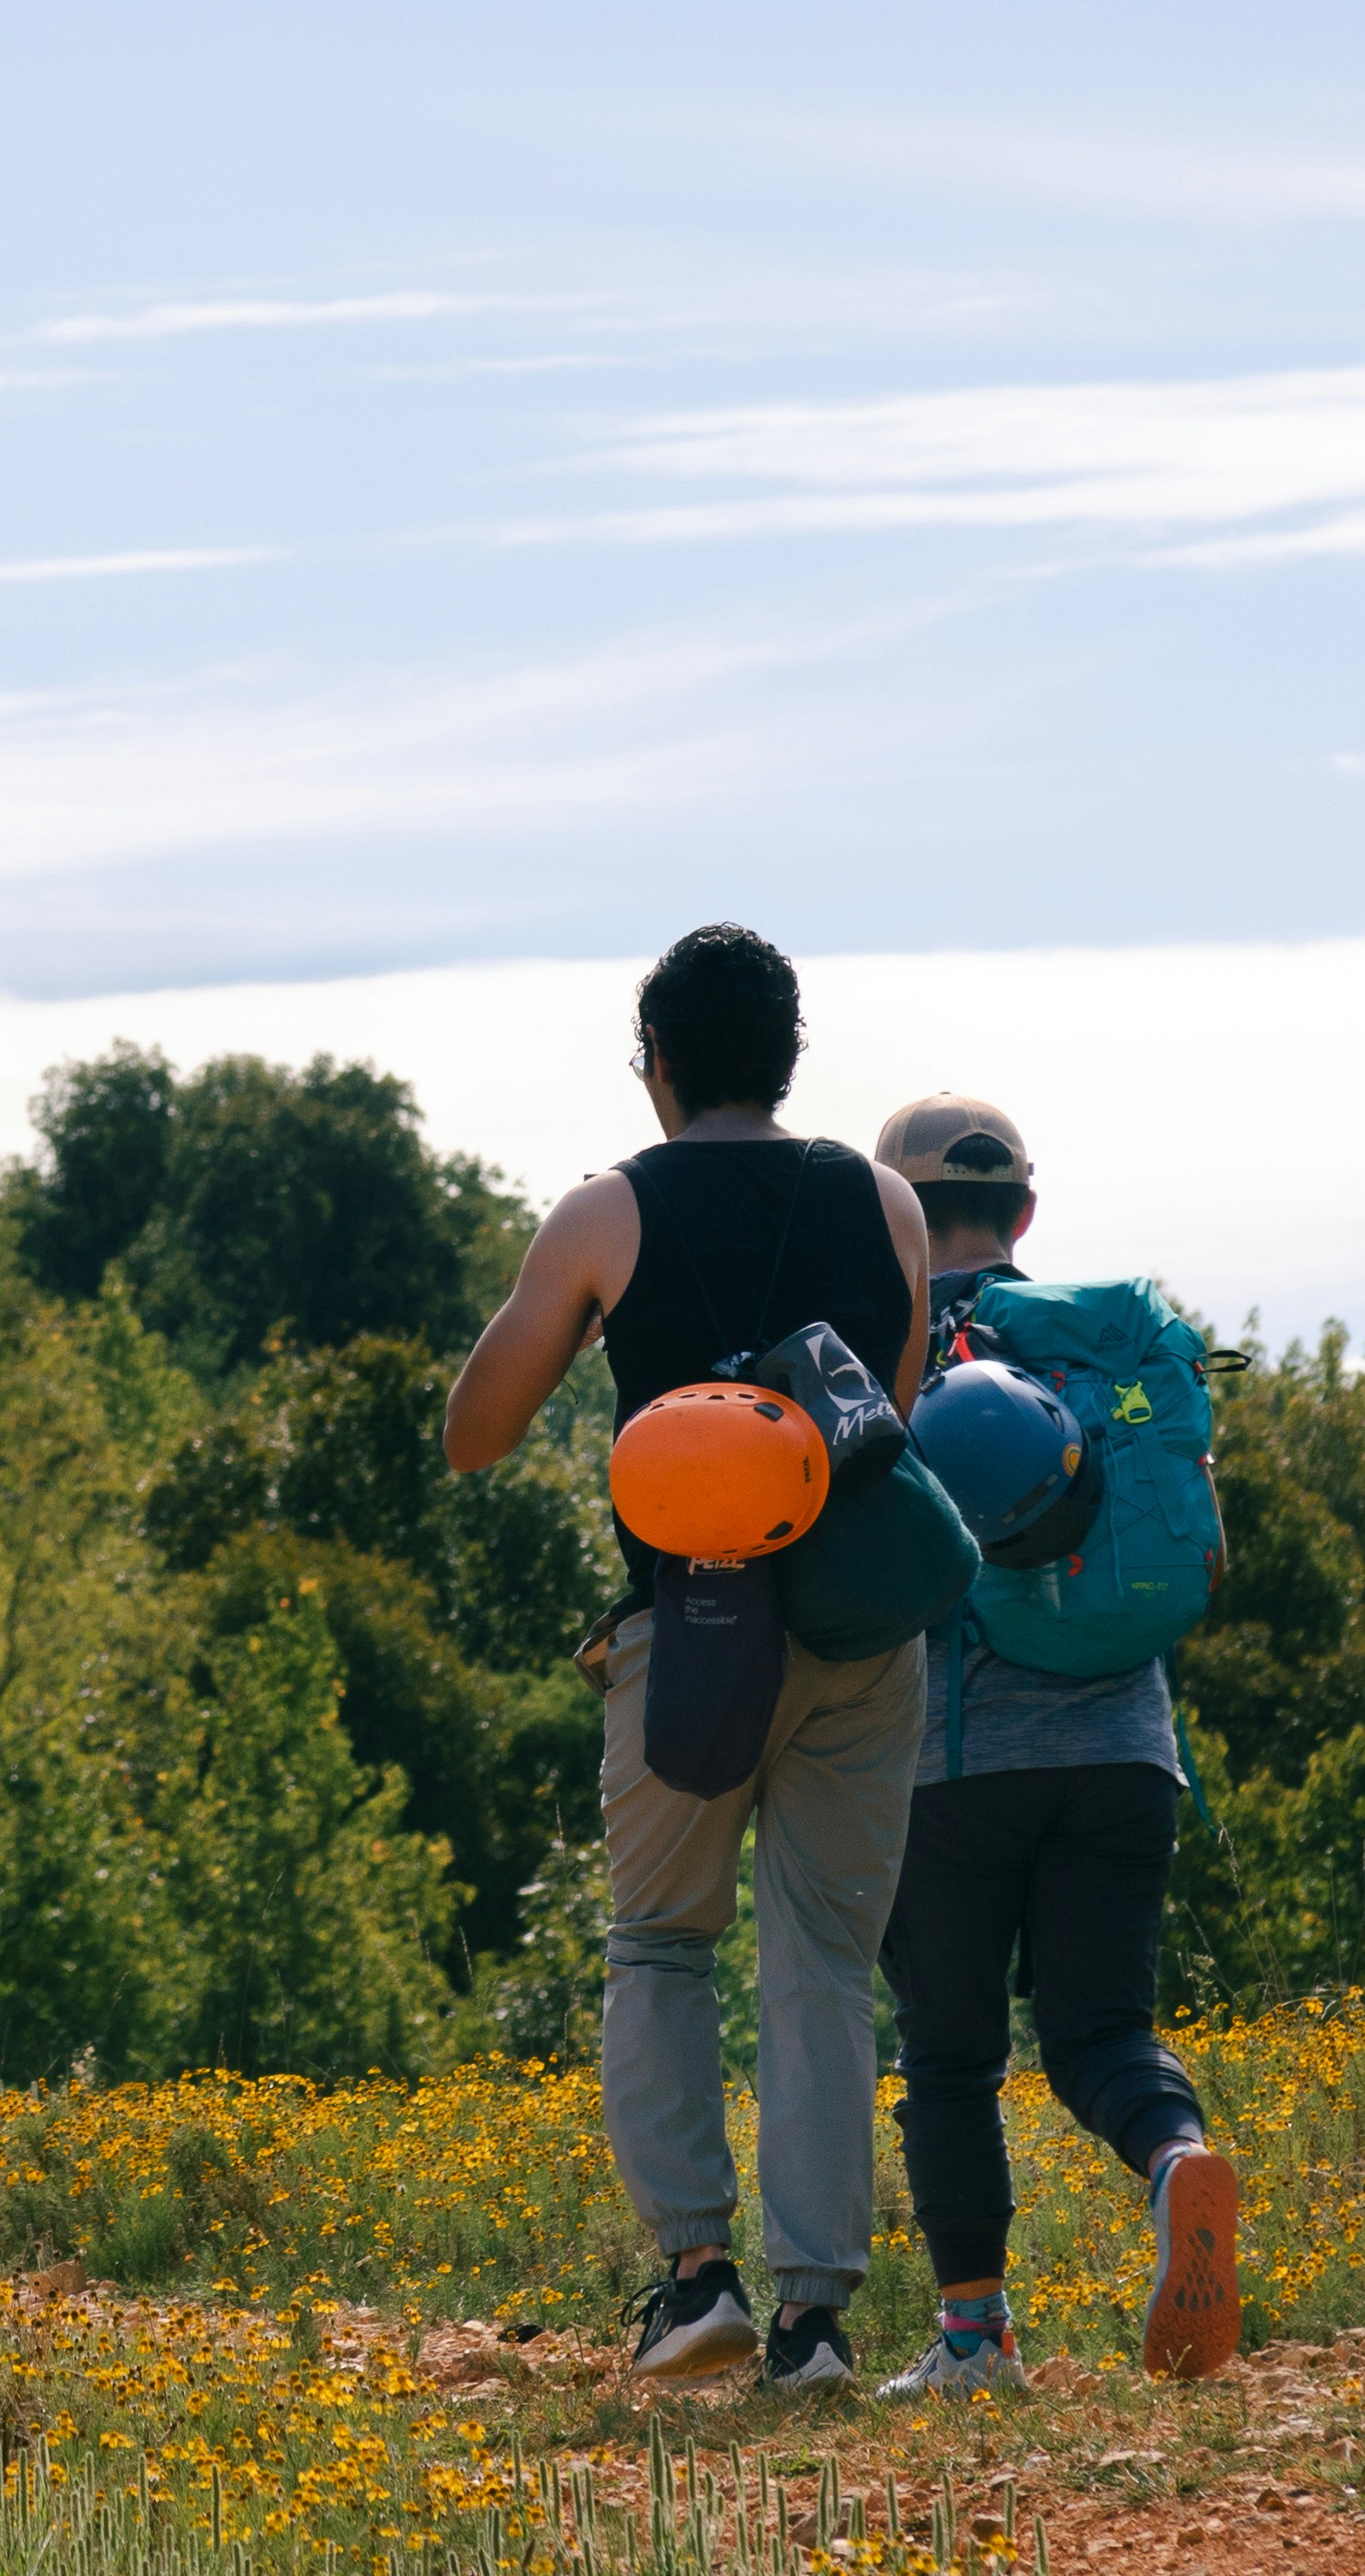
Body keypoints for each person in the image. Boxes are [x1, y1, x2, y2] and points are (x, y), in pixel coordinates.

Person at [440, 925, 931, 2388]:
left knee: (662, 1942)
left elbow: (476, 1435)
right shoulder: (888, 1203)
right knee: (827, 1964)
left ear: (656, 1064)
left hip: (694, 1631)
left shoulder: (607, 1213)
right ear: (788, 1060)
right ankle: (816, 2321)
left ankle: (696, 2275)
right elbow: (883, 1418)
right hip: (856, 1631)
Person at [862, 1094, 1242, 2394]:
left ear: (894, 1217)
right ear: (1025, 1211)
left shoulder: (891, 1359)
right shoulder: (1118, 1355)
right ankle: (1178, 2159)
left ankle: (976, 2341)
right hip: (1128, 1748)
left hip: (957, 1767)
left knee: (951, 2056)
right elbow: (1201, 1545)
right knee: (1100, 2036)